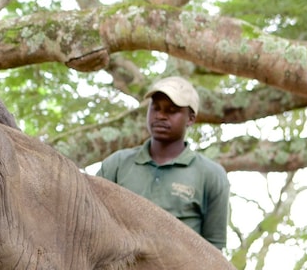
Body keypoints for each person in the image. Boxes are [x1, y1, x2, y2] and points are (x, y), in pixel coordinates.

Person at [97, 76, 230, 250]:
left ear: (190, 119)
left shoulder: (211, 174)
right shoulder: (117, 164)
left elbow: (215, 248)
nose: (160, 116)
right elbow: (91, 224)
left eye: (171, 110)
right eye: (156, 108)